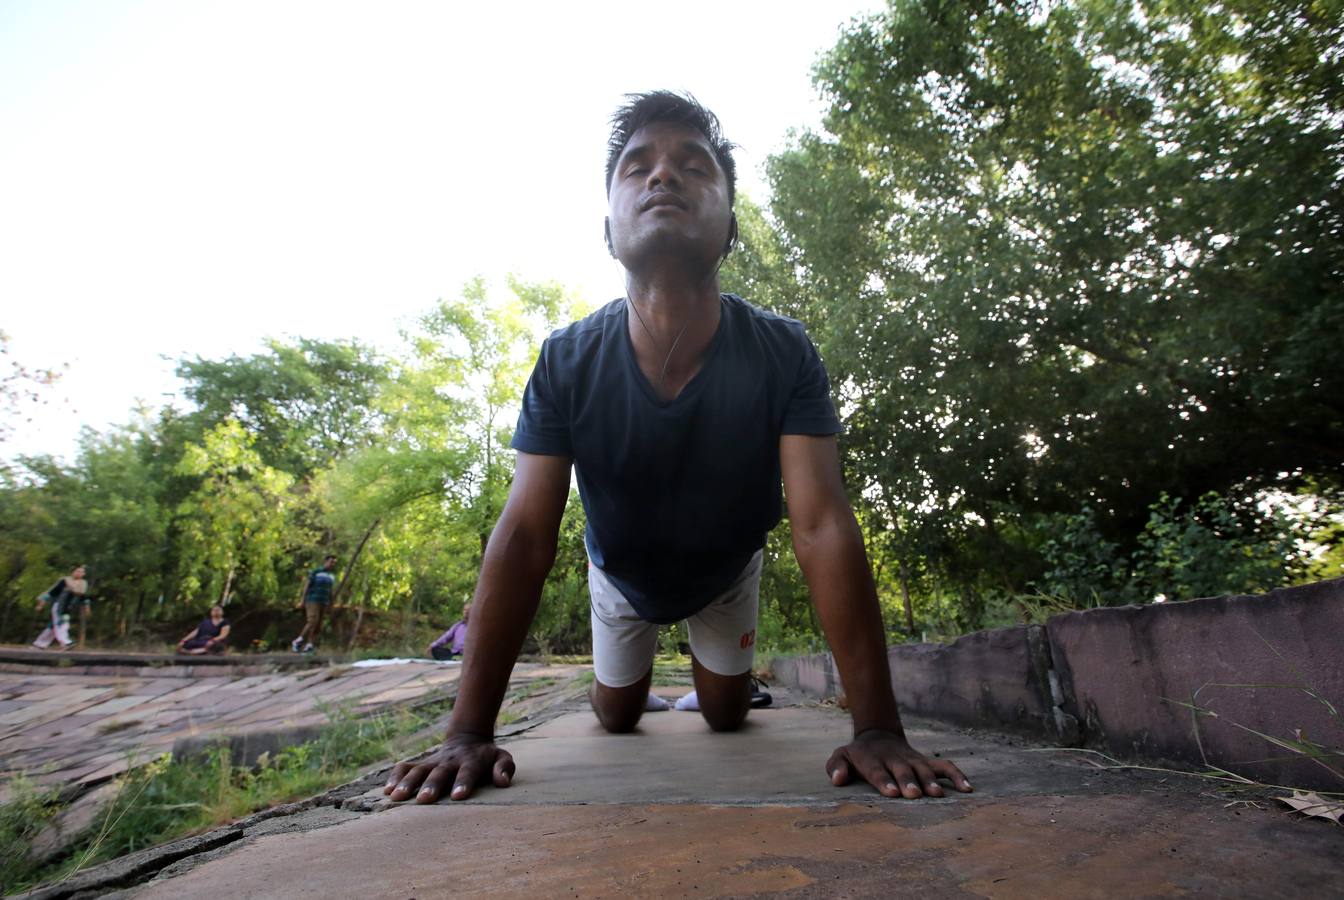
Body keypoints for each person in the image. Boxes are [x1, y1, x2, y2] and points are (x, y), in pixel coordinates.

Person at [384, 91, 973, 805]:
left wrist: (878, 726)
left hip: (728, 572)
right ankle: (640, 689)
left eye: (693, 165)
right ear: (608, 231)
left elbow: (820, 523)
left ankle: (712, 689)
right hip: (619, 576)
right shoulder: (567, 359)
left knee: (727, 717)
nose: (662, 176)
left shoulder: (784, 352)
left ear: (729, 229)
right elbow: (526, 532)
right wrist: (467, 732)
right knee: (618, 715)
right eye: (637, 167)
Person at [33, 566, 88, 650]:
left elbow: (83, 597)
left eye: (81, 572)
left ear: (84, 574)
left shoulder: (83, 584)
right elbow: (52, 592)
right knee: (61, 623)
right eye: (77, 571)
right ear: (72, 572)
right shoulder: (65, 581)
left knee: (52, 627)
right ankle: (66, 642)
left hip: (68, 608)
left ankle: (40, 644)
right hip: (59, 606)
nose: (79, 573)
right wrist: (41, 604)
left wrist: (87, 607)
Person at [291, 555, 337, 653]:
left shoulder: (331, 576)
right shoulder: (316, 572)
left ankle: (309, 644)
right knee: (312, 621)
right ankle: (298, 641)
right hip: (312, 600)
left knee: (318, 625)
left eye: (334, 563)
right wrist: (302, 600)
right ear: (325, 561)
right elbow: (307, 585)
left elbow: (330, 591)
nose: (332, 564)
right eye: (331, 562)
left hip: (324, 602)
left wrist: (331, 604)